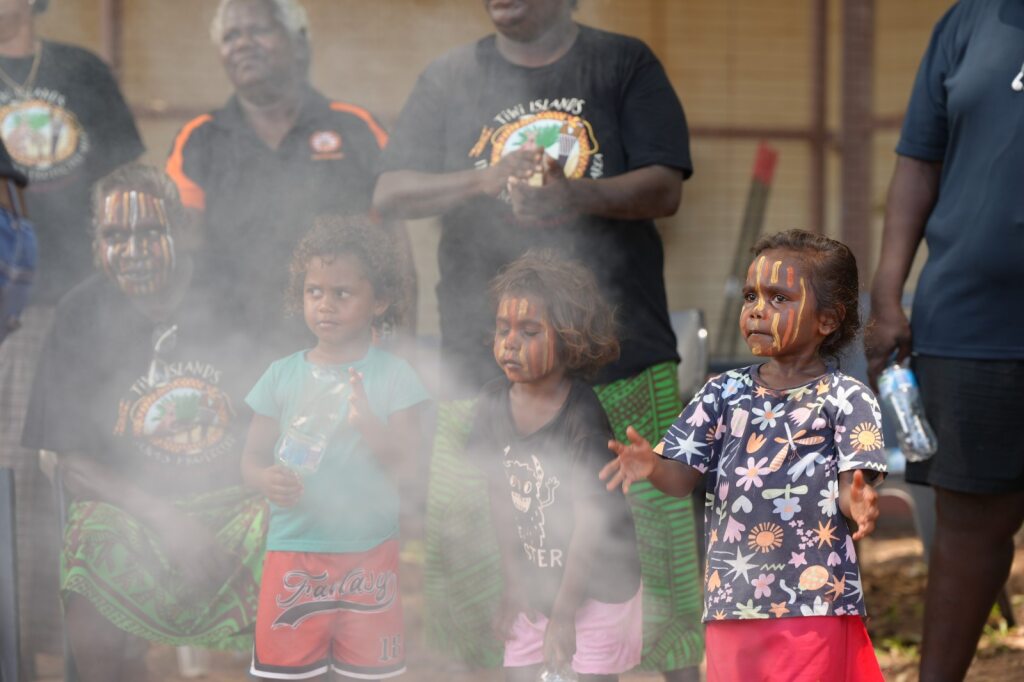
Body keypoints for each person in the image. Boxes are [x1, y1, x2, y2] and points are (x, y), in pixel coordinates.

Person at [374, 1, 703, 676]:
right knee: (477, 549)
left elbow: (665, 187)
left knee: (653, 548)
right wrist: (484, 179)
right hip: (482, 364)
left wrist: (573, 196)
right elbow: (389, 191)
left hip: (622, 358)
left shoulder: (622, 63)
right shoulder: (447, 76)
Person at [603, 230, 887, 682]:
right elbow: (680, 479)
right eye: (751, 295)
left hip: (812, 600)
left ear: (828, 321)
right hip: (731, 601)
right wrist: (654, 466)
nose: (757, 308)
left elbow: (849, 482)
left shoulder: (847, 398)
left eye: (779, 298)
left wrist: (857, 500)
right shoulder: (723, 391)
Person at [20, 164, 268, 681]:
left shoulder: (238, 295)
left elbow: (285, 410)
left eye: (149, 232)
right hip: (130, 511)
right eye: (115, 236)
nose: (132, 250)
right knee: (92, 549)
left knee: (305, 540)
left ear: (182, 230)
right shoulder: (78, 314)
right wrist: (169, 521)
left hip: (238, 502)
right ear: (95, 245)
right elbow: (71, 465)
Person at [864, 2, 1024, 678]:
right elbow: (918, 163)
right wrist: (887, 294)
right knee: (968, 529)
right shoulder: (969, 22)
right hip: (971, 321)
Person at [0, 0, 144, 664]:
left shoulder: (80, 70)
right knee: (16, 482)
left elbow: (126, 180)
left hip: (95, 307)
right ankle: (20, 653)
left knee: (101, 467)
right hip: (12, 315)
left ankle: (108, 652)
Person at [241, 215, 430, 680]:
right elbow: (250, 459)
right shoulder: (280, 375)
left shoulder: (395, 377)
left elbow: (409, 469)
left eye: (342, 293)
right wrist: (264, 479)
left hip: (370, 554)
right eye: (314, 291)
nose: (325, 305)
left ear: (379, 300)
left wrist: (368, 423)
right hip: (294, 554)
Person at [167, 0, 413, 352]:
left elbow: (396, 250)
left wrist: (399, 351)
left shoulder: (355, 127)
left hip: (343, 352)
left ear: (298, 43)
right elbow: (182, 252)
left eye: (259, 30)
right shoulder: (198, 139)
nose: (242, 43)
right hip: (232, 354)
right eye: (231, 35)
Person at [473, 252, 642, 681]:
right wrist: (514, 585)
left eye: (529, 331)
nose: (510, 342)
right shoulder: (492, 404)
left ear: (568, 340)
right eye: (502, 329)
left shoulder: (581, 412)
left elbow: (591, 520)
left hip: (598, 588)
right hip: (537, 585)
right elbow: (500, 499)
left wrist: (564, 616)